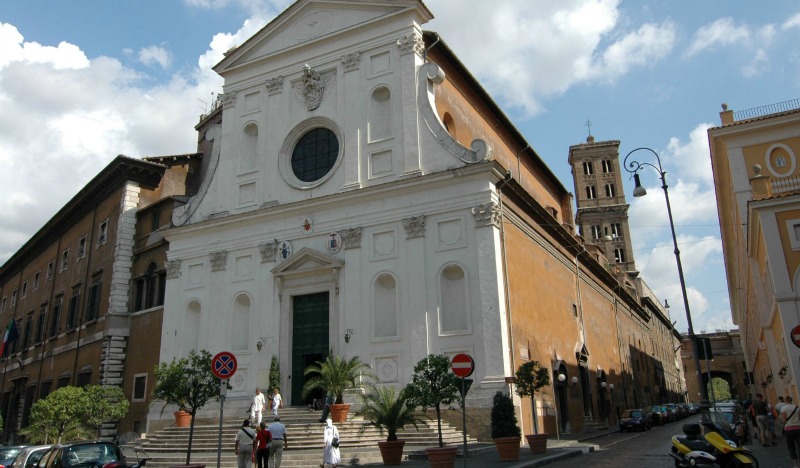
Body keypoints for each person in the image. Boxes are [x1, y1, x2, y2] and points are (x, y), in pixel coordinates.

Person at [781, 396, 800, 468]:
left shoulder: (784, 408)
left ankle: (796, 465)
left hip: (789, 430)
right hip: (798, 428)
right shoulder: (797, 407)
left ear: (785, 401)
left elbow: (783, 420)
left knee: (791, 447)